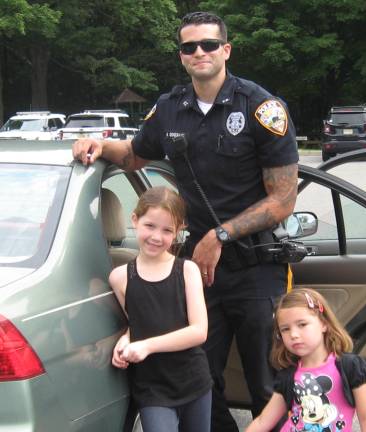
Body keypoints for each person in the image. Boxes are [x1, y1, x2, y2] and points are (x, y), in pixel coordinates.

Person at [73, 11, 298, 431]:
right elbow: (135, 154)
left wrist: (220, 233)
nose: (199, 52)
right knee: (199, 379)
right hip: (200, 271)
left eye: (209, 44)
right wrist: (98, 144)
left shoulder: (262, 108)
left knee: (267, 383)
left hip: (256, 267)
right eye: (189, 46)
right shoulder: (171, 108)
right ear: (181, 56)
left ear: (225, 50)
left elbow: (283, 199)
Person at [110, 187, 213, 432]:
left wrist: (145, 345)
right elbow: (139, 321)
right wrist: (125, 339)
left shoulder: (186, 270)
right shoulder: (120, 277)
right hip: (152, 388)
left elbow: (199, 331)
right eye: (150, 226)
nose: (157, 237)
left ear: (179, 231)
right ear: (134, 220)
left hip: (193, 381)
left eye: (167, 230)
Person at [246, 288, 366, 432]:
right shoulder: (288, 376)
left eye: (302, 324)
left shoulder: (349, 367)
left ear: (324, 324)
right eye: (285, 329)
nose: (294, 334)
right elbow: (262, 422)